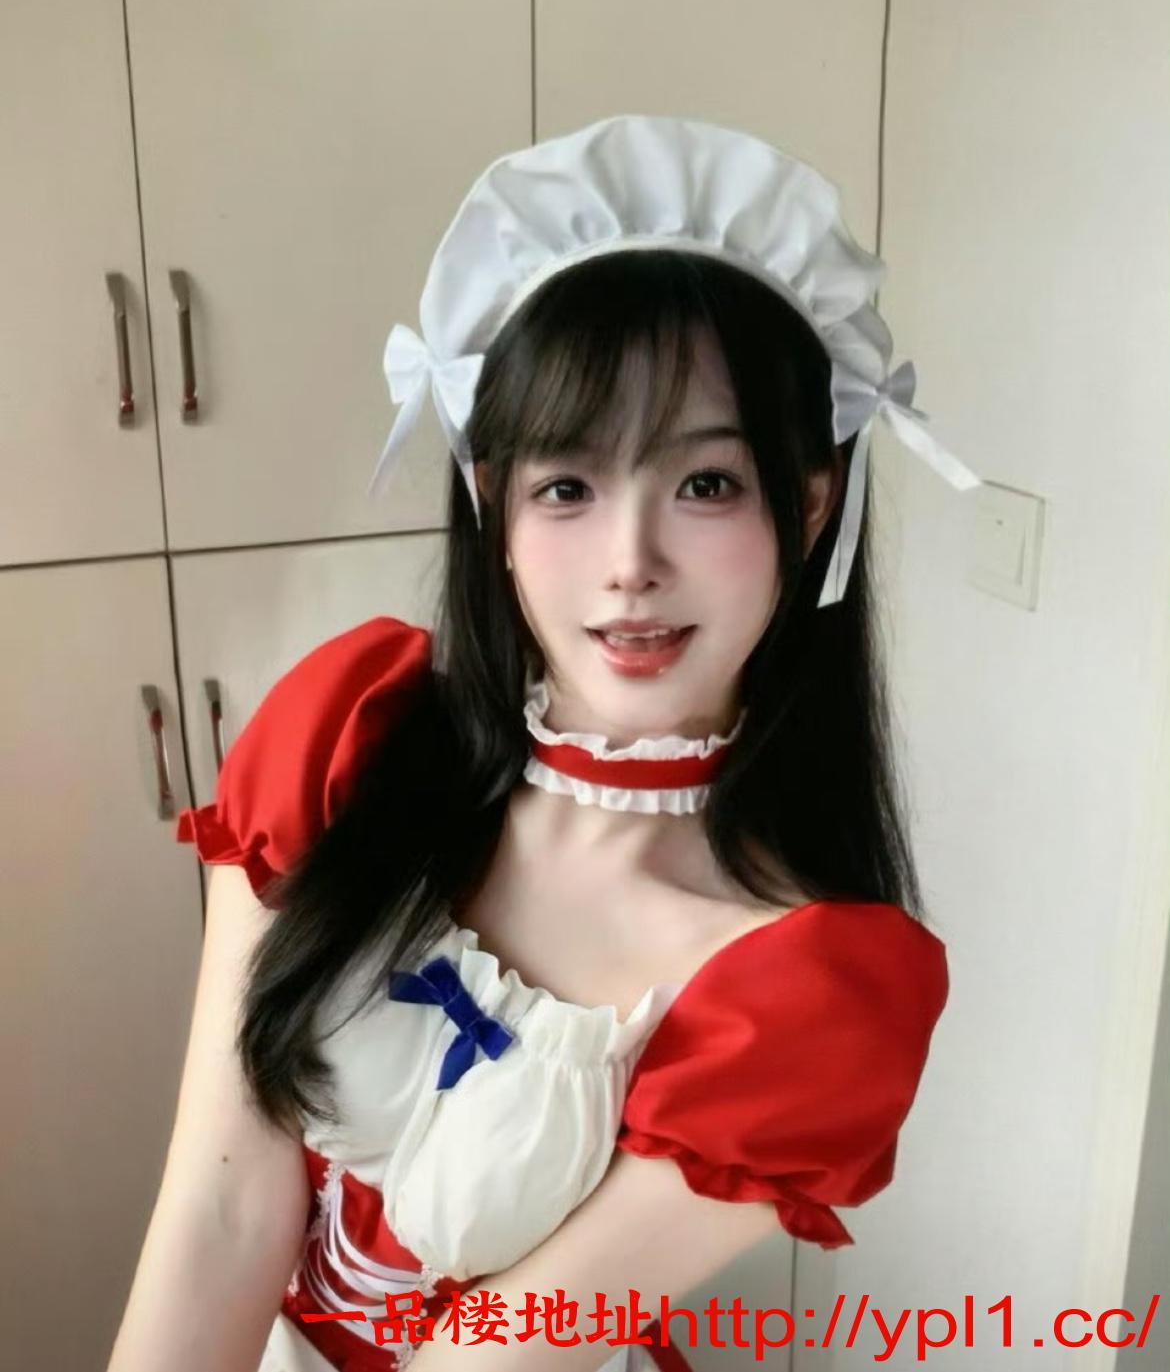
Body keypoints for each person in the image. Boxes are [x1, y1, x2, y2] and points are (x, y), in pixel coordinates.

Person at [107, 115, 968, 1372]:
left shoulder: (804, 992)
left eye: (707, 483)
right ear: (490, 502)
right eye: (567, 484)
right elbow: (222, 1205)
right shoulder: (348, 746)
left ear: (811, 499)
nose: (630, 563)